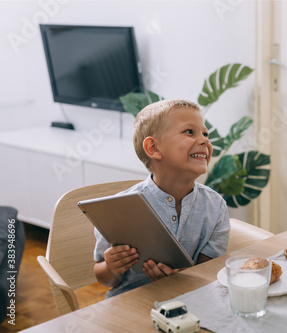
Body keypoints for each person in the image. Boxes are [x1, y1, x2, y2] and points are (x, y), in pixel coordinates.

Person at [94, 99, 230, 297]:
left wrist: (182, 277)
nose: (205, 141)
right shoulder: (119, 209)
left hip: (191, 299)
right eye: (190, 132)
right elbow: (104, 278)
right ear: (153, 148)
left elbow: (209, 272)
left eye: (205, 133)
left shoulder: (215, 206)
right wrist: (112, 267)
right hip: (129, 305)